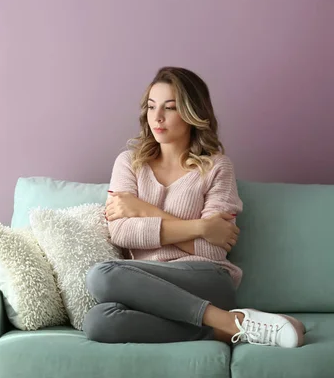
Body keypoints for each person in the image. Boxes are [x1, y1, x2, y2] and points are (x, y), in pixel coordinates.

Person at [82, 67, 305, 348]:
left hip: (207, 279)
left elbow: (213, 249)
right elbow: (121, 233)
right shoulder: (129, 163)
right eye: (151, 107)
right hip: (145, 286)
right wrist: (200, 227)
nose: (157, 117)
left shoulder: (217, 167)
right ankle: (230, 325)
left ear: (191, 113)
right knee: (99, 322)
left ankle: (224, 319)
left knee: (103, 275)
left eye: (170, 108)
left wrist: (142, 209)